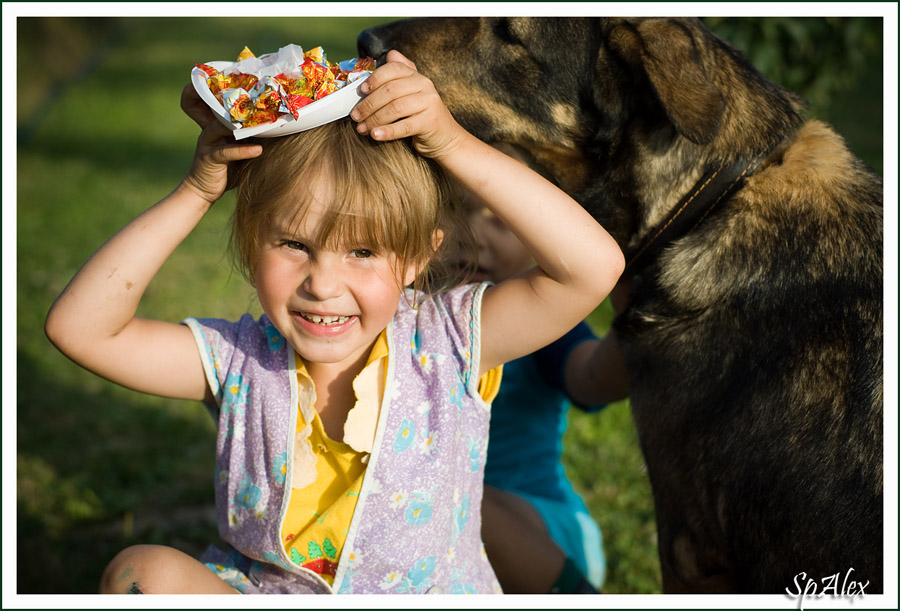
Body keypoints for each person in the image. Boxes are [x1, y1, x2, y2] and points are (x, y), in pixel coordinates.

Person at [44, 50, 624, 594]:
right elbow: (82, 330)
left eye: (363, 252)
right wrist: (197, 192)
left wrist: (451, 142)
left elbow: (591, 270)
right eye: (294, 244)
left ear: (419, 257)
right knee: (142, 574)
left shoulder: (451, 342)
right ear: (250, 248)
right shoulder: (239, 360)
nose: (323, 283)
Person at [449, 145, 631, 594]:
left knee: (457, 495)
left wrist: (638, 328)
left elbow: (590, 380)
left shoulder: (536, 321)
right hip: (432, 532)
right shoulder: (406, 312)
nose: (473, 235)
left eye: (501, 219)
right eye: (451, 210)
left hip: (546, 537)